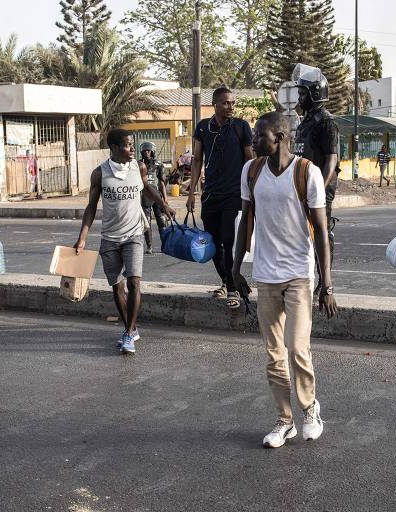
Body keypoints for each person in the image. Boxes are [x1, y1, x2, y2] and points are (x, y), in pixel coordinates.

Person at [232, 111, 337, 449]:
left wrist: (327, 283)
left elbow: (321, 231)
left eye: (259, 135)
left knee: (297, 348)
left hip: (298, 275)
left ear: (278, 136)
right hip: (265, 275)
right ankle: (284, 421)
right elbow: (246, 221)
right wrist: (235, 267)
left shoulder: (308, 172)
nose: (253, 141)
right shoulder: (251, 171)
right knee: (273, 354)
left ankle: (310, 410)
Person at [73, 129, 175, 355]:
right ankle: (131, 326)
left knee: (134, 283)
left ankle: (128, 334)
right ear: (115, 148)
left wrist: (164, 205)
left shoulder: (138, 167)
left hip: (134, 235)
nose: (133, 149)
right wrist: (82, 238)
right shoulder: (99, 173)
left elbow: (147, 187)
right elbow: (91, 207)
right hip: (109, 238)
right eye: (129, 145)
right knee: (117, 286)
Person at [187, 87, 254, 309]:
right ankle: (226, 280)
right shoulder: (202, 128)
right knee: (213, 243)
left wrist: (252, 192)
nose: (231, 106)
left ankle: (233, 288)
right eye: (226, 103)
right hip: (210, 195)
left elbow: (249, 160)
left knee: (228, 239)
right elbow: (197, 160)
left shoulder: (241, 127)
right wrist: (192, 193)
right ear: (215, 104)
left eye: (233, 103)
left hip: (234, 194)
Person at [292, 63, 340, 295]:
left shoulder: (326, 122)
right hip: (302, 185)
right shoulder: (306, 121)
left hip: (320, 187)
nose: (299, 99)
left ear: (314, 94)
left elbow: (331, 161)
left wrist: (318, 189)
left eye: (302, 94)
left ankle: (324, 279)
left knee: (321, 230)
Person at [139, 141, 167, 254]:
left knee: (161, 221)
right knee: (147, 222)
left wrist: (165, 199)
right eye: (145, 150)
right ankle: (149, 247)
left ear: (153, 151)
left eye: (149, 150)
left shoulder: (159, 165)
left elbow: (161, 183)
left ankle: (164, 245)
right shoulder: (138, 164)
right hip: (145, 197)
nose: (146, 152)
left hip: (157, 197)